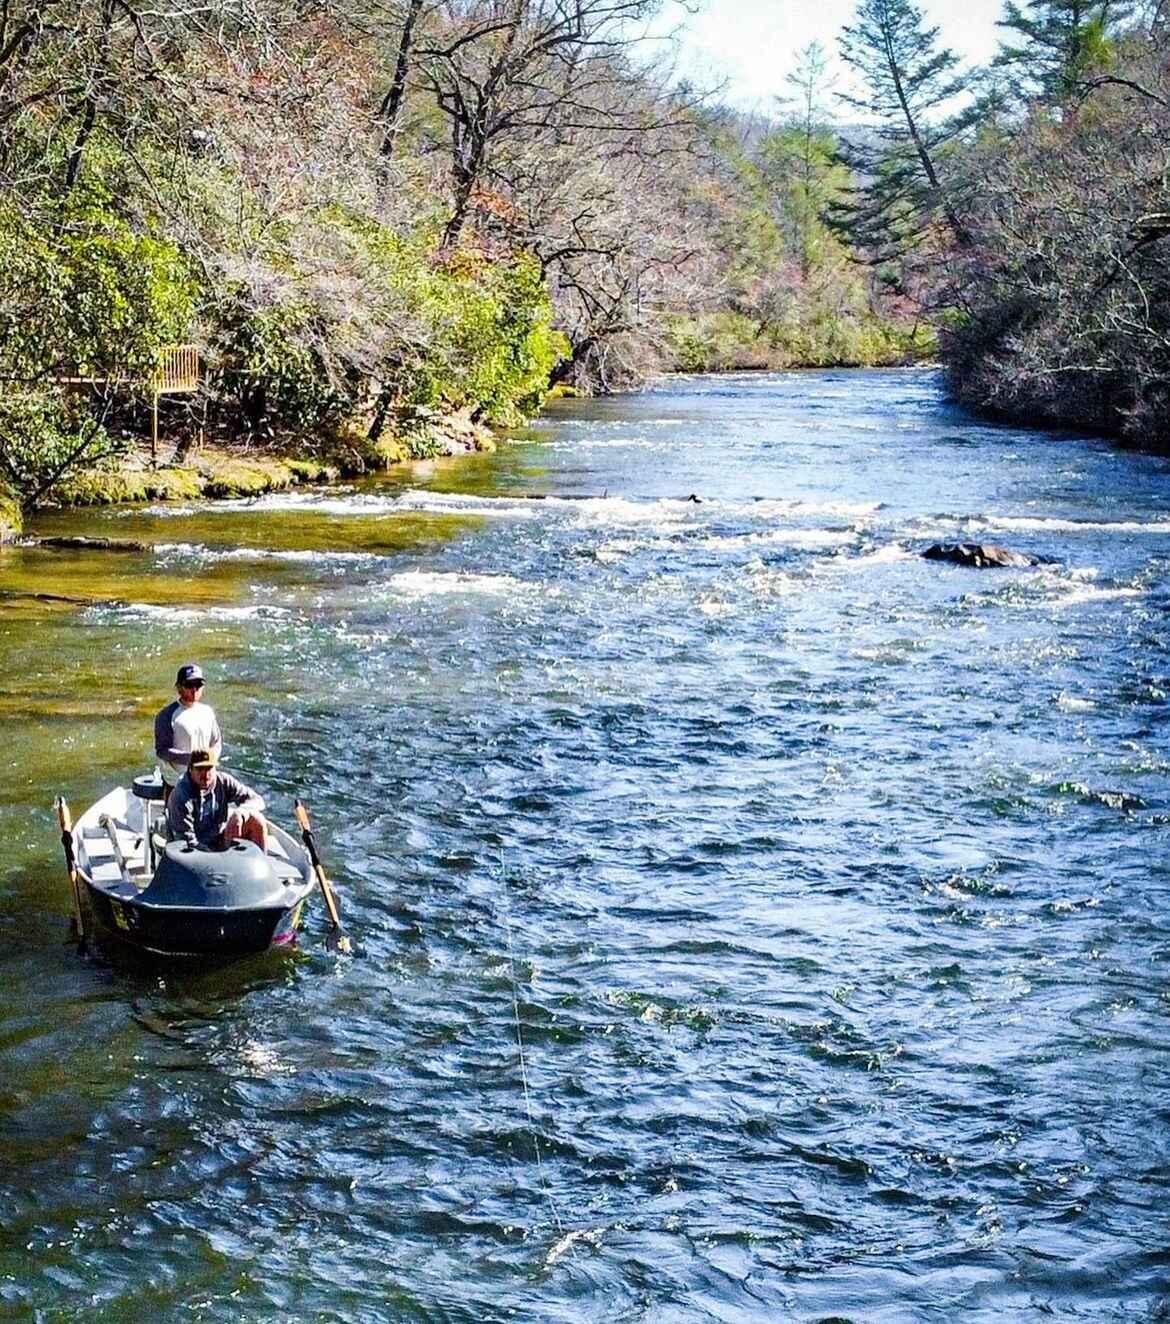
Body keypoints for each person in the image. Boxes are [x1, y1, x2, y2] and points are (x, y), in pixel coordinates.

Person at [166, 748, 269, 853]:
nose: (205, 775)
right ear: (190, 769)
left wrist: (241, 813)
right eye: (200, 769)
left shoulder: (223, 781)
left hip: (220, 841)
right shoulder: (180, 796)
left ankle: (262, 861)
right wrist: (215, 857)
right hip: (192, 851)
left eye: (209, 768)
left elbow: (257, 800)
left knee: (257, 820)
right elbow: (186, 842)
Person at [154, 663, 222, 787]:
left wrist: (210, 759)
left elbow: (216, 742)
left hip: (205, 778)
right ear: (179, 687)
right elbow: (162, 751)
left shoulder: (208, 712)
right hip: (177, 782)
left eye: (198, 685)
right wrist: (191, 758)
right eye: (189, 685)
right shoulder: (167, 715)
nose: (194, 689)